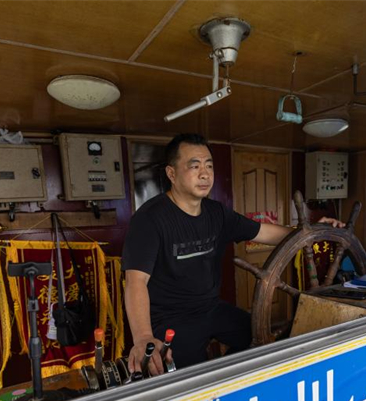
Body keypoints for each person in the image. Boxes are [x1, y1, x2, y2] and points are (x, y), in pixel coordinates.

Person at [121, 133, 344, 374]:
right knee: (188, 379)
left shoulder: (217, 214)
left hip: (211, 307)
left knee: (260, 338)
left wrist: (310, 231)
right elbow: (135, 281)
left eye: (209, 165)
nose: (205, 174)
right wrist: (143, 336)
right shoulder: (150, 219)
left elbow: (266, 232)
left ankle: (228, 376)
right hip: (170, 318)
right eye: (194, 166)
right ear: (171, 174)